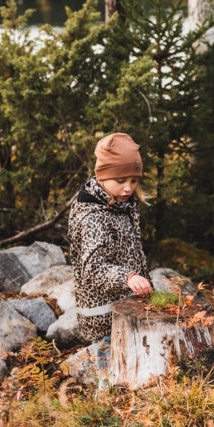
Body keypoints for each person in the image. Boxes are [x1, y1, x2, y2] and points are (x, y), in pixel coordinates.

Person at [69, 132, 153, 345]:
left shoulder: (122, 206)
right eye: (120, 180)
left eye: (134, 180)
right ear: (102, 177)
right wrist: (128, 278)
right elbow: (92, 270)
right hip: (105, 318)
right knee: (110, 365)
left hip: (126, 311)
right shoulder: (93, 216)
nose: (128, 188)